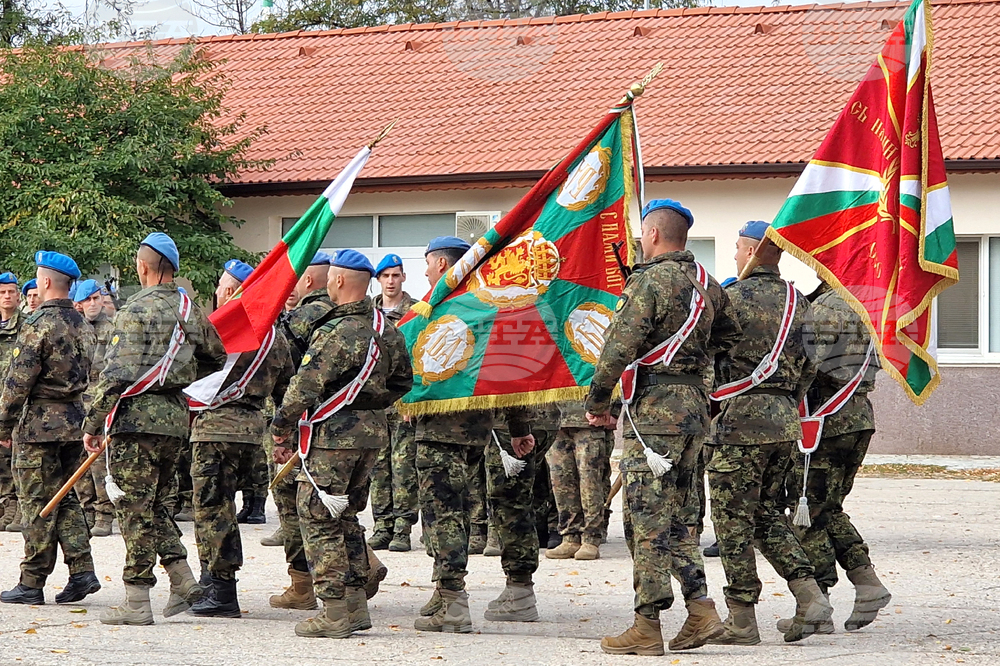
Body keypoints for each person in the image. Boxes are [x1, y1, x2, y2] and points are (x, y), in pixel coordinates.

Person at [585, 199, 742, 655]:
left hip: (654, 415)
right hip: (694, 412)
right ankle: (700, 608)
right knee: (675, 520)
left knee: (647, 521)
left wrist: (598, 400)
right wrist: (700, 379)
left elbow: (619, 345)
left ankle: (647, 624)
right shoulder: (708, 284)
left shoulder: (651, 280)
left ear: (653, 235)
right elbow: (729, 340)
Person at [83, 232, 226, 626]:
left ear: (142, 266)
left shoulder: (133, 311)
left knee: (133, 509)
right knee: (157, 506)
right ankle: (182, 580)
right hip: (175, 418)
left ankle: (136, 600)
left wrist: (93, 422)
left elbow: (117, 374)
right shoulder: (190, 308)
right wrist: (177, 379)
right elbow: (217, 357)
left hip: (136, 421)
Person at [270, 249, 412, 638]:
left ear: (336, 281)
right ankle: (354, 605)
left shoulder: (337, 331)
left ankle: (333, 613)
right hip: (371, 435)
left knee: (318, 517)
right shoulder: (387, 328)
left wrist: (281, 430)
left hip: (333, 437)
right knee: (346, 516)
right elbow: (403, 382)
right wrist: (369, 404)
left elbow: (303, 387)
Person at [707, 220, 831, 644]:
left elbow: (709, 357)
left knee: (731, 521)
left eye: (739, 249)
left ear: (749, 251)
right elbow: (813, 364)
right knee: (764, 514)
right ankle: (810, 595)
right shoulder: (801, 302)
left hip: (739, 422)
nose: (735, 257)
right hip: (784, 421)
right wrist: (784, 397)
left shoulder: (730, 299)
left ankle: (742, 619)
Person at [411, 236, 531, 634]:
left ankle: (452, 601)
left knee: (442, 514)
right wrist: (518, 429)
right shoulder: (488, 307)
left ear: (443, 265)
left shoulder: (434, 309)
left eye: (428, 263)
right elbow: (507, 374)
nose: (426, 271)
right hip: (475, 433)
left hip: (440, 432)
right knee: (457, 511)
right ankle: (445, 592)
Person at [776, 279, 890, 633]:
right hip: (856, 416)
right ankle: (866, 582)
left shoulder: (828, 307)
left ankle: (818, 603)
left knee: (804, 507)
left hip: (827, 419)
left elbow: (809, 363)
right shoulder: (868, 300)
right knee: (826, 509)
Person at [188, 259, 294, 618]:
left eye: (221, 285)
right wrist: (283, 434)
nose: (218, 291)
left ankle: (220, 589)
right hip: (252, 430)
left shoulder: (222, 331)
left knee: (213, 509)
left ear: (231, 291)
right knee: (224, 509)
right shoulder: (274, 337)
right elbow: (286, 389)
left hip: (215, 429)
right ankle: (212, 581)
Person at [0, 253, 101, 605]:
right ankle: (82, 571)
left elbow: (17, 381)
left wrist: (3, 424)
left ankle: (31, 582)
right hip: (75, 422)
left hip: (40, 427)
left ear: (44, 283)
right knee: (67, 497)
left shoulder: (37, 324)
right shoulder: (83, 325)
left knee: (37, 503)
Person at [267, 251, 335, 607]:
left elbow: (283, 366)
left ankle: (303, 586)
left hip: (298, 422)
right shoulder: (345, 315)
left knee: (293, 507)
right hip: (337, 424)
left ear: (307, 281)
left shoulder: (303, 317)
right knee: (332, 504)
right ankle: (359, 571)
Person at [368, 253, 418, 552]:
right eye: (385, 276)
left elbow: (421, 358)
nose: (390, 281)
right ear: (378, 280)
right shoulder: (367, 313)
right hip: (374, 401)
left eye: (395, 275)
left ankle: (402, 528)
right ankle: (382, 524)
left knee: (403, 466)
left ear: (403, 278)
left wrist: (413, 400)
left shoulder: (416, 312)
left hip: (402, 401)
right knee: (377, 466)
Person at [546, 401, 615, 561]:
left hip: (590, 420)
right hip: (556, 420)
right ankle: (569, 537)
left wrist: (614, 411)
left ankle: (591, 539)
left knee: (589, 483)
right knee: (561, 482)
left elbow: (614, 378)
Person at [74, 280, 116, 536]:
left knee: (99, 461)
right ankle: (85, 510)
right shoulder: (74, 328)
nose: (93, 303)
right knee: (79, 460)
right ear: (78, 303)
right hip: (77, 402)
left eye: (97, 298)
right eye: (87, 299)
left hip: (99, 402)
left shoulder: (112, 330)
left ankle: (104, 514)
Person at [0, 272, 23, 532]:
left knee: (16, 457)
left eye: (10, 292)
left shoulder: (26, 325)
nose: (7, 296)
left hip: (16, 402)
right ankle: (7, 505)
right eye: (2, 292)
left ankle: (18, 508)